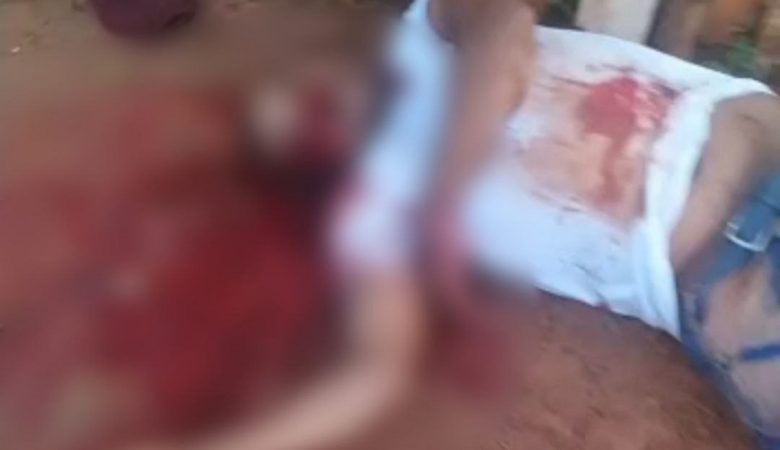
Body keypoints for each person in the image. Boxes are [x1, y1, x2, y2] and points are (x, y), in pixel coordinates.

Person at [137, 0, 780, 448]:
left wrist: (448, 178)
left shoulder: (422, 31)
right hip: (729, 302)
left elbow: (502, 27)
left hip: (750, 164)